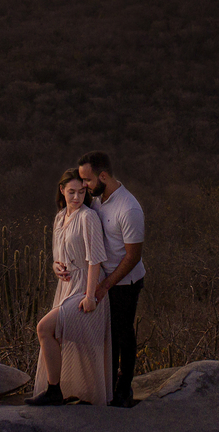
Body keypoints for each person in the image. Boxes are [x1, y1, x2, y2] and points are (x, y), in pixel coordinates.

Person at [26, 168, 112, 407]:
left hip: (87, 286)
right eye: (71, 192)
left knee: (45, 328)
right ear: (62, 190)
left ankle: (60, 391)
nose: (76, 197)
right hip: (66, 286)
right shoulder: (60, 217)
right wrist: (56, 266)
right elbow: (58, 254)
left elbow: (95, 259)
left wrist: (90, 296)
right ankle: (59, 390)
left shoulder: (88, 217)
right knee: (62, 338)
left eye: (81, 192)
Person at [72, 151, 144, 408]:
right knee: (104, 335)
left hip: (125, 282)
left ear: (103, 176)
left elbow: (133, 257)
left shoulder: (129, 208)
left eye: (87, 180)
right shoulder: (97, 201)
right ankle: (104, 389)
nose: (84, 185)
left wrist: (105, 286)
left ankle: (123, 391)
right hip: (101, 279)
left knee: (123, 334)